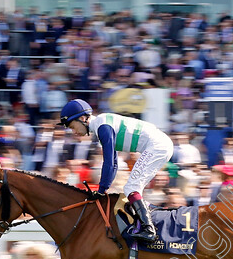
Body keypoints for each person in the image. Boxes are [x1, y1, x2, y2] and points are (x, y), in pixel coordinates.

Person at [59, 99, 174, 242]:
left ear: (83, 118)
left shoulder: (103, 126)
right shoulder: (102, 125)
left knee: (131, 188)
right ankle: (142, 222)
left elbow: (109, 163)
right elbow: (113, 163)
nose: (73, 131)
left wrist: (101, 190)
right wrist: (103, 189)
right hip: (160, 145)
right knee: (132, 188)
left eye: (72, 126)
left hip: (157, 146)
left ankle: (149, 229)